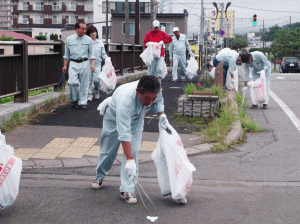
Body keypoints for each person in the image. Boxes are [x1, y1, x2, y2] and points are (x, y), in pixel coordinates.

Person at [91, 75, 171, 204]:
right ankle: (99, 176)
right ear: (138, 92)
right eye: (147, 98)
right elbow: (124, 134)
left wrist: (161, 115)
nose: (151, 101)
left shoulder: (156, 90)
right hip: (113, 116)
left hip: (137, 120)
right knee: (108, 150)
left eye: (153, 98)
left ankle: (127, 190)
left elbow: (158, 102)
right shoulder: (125, 101)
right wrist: (129, 161)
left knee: (133, 151)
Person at [62, 21, 96, 110]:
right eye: (82, 29)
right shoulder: (69, 39)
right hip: (73, 63)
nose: (85, 31)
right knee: (72, 82)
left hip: (85, 63)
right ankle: (74, 99)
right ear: (77, 29)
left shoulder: (88, 40)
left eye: (85, 29)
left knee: (84, 84)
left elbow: (92, 54)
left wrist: (92, 65)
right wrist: (65, 66)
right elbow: (66, 55)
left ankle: (82, 103)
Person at [86, 26, 107, 102]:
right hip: (88, 64)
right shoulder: (87, 42)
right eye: (91, 32)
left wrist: (107, 59)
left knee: (96, 80)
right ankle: (89, 95)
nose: (93, 34)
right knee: (88, 80)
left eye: (94, 32)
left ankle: (96, 91)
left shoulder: (100, 42)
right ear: (89, 34)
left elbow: (103, 54)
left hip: (97, 64)